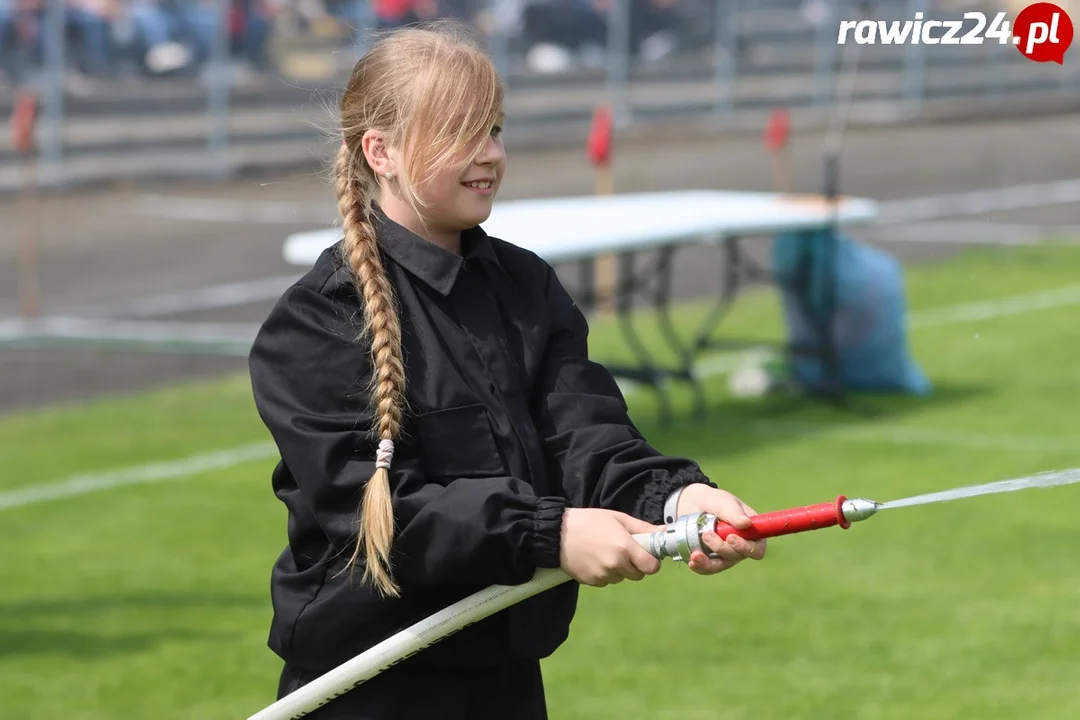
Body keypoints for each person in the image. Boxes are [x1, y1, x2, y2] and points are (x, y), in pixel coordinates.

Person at [247, 19, 765, 720]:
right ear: (382, 151)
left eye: (494, 129)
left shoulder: (526, 286)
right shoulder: (316, 324)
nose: (488, 154)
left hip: (504, 677)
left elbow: (585, 438)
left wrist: (675, 500)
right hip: (369, 686)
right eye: (459, 133)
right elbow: (388, 515)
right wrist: (547, 534)